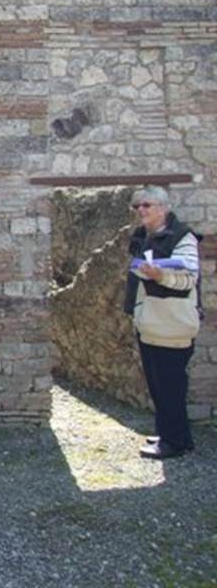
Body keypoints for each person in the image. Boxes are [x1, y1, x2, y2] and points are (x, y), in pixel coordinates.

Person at [123, 186, 203, 460]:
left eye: (147, 205)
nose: (141, 211)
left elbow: (188, 277)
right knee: (158, 384)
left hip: (171, 324)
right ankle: (171, 433)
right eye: (137, 206)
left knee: (170, 385)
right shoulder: (143, 236)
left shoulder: (183, 238)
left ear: (163, 207)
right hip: (151, 323)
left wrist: (160, 276)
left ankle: (175, 442)